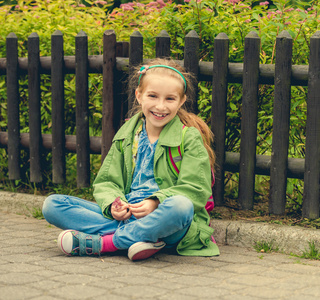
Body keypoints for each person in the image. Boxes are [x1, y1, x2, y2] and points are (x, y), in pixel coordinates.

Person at [42, 58, 220, 261]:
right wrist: (113, 204)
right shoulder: (128, 134)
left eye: (170, 99)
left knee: (181, 206)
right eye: (152, 96)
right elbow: (107, 181)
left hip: (166, 218)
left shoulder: (188, 137)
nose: (160, 106)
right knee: (53, 205)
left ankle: (106, 243)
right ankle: (142, 238)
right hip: (129, 214)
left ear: (181, 101)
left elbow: (196, 189)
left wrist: (155, 202)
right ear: (139, 96)